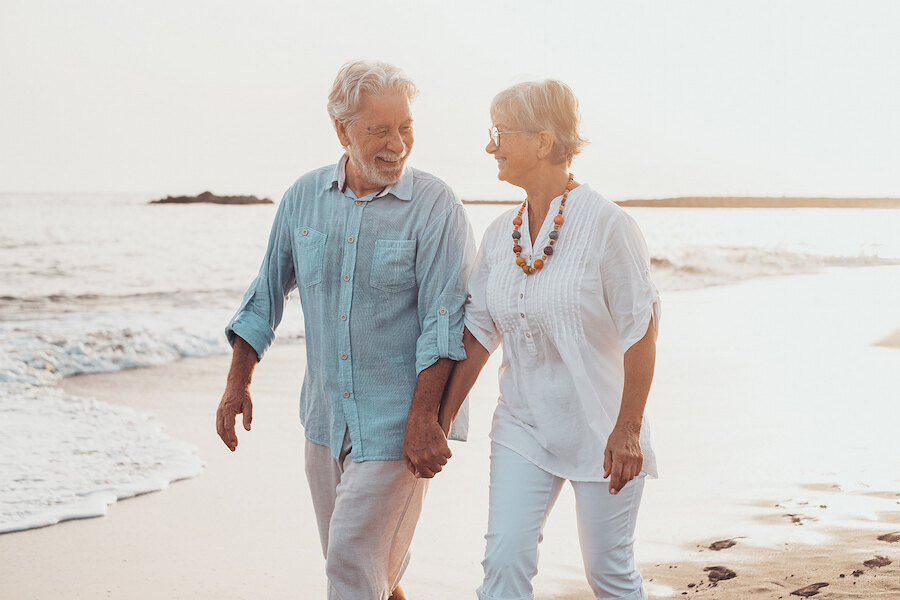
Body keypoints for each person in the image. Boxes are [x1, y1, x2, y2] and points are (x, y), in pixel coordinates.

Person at [216, 60, 474, 600]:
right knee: (371, 571)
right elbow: (264, 294)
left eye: (404, 126)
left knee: (351, 570)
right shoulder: (302, 199)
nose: (396, 144)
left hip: (399, 425)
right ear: (342, 130)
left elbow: (443, 322)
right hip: (324, 421)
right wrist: (236, 384)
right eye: (379, 129)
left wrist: (427, 419)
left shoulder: (435, 206)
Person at [438, 80, 660, 600]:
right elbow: (479, 331)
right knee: (504, 562)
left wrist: (627, 430)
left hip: (603, 429)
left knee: (608, 572)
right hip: (524, 425)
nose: (490, 146)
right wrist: (439, 418)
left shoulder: (609, 225)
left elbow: (641, 329)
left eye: (500, 133)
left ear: (542, 142)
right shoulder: (500, 233)